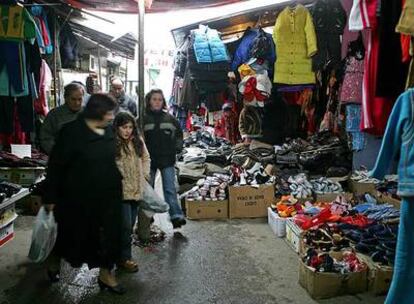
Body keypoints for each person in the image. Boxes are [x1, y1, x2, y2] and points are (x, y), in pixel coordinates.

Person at [44, 94, 126, 295]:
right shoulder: (71, 133)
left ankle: (106, 274)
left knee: (112, 236)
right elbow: (56, 166)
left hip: (108, 197)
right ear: (98, 112)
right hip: (77, 199)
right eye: (108, 113)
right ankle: (54, 260)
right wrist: (50, 196)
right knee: (71, 236)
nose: (111, 117)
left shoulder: (107, 131)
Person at [113, 112, 152, 272]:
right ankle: (125, 258)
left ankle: (120, 257)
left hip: (136, 190)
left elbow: (146, 158)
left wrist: (144, 174)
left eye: (130, 127)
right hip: (120, 193)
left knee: (128, 226)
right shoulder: (113, 143)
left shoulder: (137, 141)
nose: (127, 131)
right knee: (125, 227)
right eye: (124, 127)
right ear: (117, 127)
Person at [143, 89, 186, 229]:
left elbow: (179, 134)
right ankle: (147, 217)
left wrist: (177, 147)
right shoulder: (142, 119)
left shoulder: (170, 118)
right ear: (149, 100)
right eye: (154, 99)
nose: (157, 102)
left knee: (170, 189)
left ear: (163, 102)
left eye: (160, 99)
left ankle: (176, 216)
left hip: (167, 159)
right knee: (148, 190)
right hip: (148, 161)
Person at [40, 83, 84, 154]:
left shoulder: (89, 114)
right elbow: (46, 138)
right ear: (65, 98)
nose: (77, 103)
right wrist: (59, 153)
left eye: (80, 99)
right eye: (73, 99)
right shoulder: (54, 115)